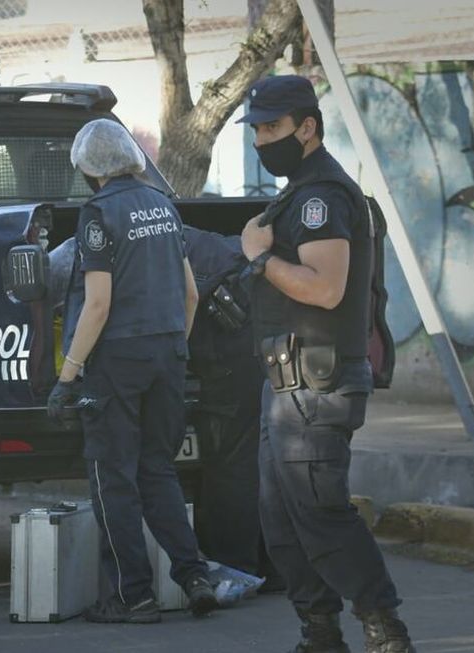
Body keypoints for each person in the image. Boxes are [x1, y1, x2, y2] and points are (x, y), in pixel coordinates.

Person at [237, 75, 415, 653]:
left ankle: (385, 629)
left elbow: (327, 287)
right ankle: (320, 633)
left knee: (320, 513)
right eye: (258, 129)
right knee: (281, 521)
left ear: (307, 127)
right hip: (287, 385)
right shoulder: (299, 191)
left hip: (316, 386)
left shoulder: (322, 196)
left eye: (273, 128)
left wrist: (261, 259)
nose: (263, 141)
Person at [48, 118, 219, 624]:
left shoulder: (99, 215)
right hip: (169, 352)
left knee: (113, 478)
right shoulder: (163, 206)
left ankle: (134, 595)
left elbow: (97, 304)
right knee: (158, 471)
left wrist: (67, 377)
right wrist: (172, 350)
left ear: (88, 168)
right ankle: (194, 575)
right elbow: (190, 294)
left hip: (117, 361)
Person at [183, 225, 283, 591]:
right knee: (258, 461)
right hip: (258, 345)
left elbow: (188, 301)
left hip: (230, 353)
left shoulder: (135, 239)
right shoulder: (197, 239)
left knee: (230, 466)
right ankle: (275, 569)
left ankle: (235, 567)